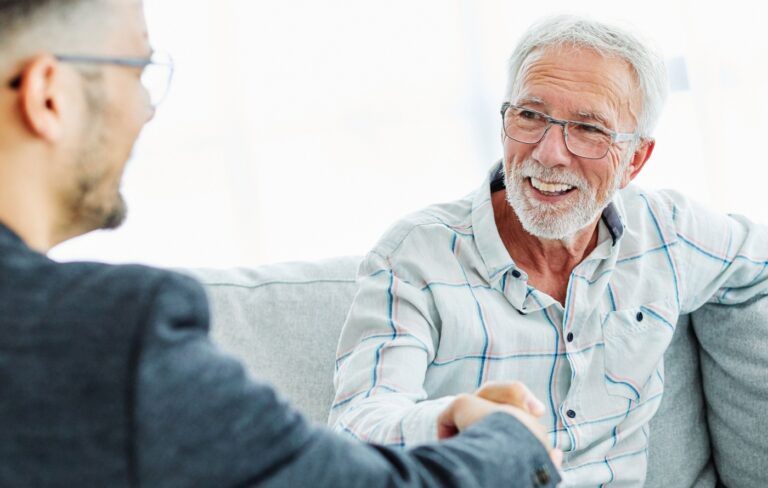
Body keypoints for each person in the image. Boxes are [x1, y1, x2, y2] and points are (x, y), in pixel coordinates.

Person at [0, 0, 563, 486]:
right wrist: (512, 440)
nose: (146, 110)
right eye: (138, 71)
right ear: (50, 96)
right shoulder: (109, 334)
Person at [329, 14, 768, 487]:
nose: (549, 153)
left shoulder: (668, 234)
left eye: (588, 129)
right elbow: (356, 431)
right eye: (531, 116)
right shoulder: (413, 258)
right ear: (504, 122)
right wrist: (451, 417)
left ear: (635, 160)